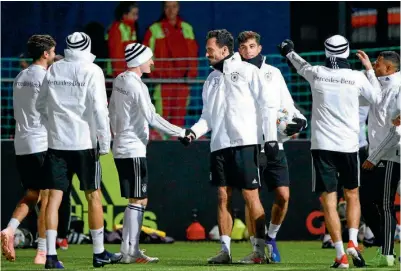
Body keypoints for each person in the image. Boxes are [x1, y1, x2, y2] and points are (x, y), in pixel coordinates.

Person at [278, 35, 382, 268]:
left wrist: (288, 51)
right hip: (349, 146)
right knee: (353, 195)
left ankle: (340, 254)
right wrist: (368, 70)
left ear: (326, 53)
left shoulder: (317, 73)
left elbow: (299, 64)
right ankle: (354, 242)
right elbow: (377, 98)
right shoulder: (356, 78)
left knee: (329, 202)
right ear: (347, 52)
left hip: (323, 147)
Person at [180, 29, 279, 264]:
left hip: (245, 143)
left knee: (250, 196)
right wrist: (193, 132)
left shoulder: (247, 71)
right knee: (223, 196)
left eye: (210, 50)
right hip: (219, 145)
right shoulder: (211, 79)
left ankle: (259, 251)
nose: (206, 54)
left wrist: (271, 140)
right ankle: (225, 251)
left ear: (224, 51)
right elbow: (207, 117)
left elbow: (268, 105)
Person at [36, 32, 121, 269]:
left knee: (53, 199)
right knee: (93, 196)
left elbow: (40, 105)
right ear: (88, 47)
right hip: (84, 144)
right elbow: (99, 111)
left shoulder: (53, 69)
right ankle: (98, 253)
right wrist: (105, 143)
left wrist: (53, 127)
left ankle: (50, 256)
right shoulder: (92, 71)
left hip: (57, 144)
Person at [109, 43, 186, 264]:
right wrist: (181, 132)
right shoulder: (136, 85)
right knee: (138, 199)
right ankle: (130, 252)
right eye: (149, 58)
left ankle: (129, 250)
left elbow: (111, 112)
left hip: (122, 146)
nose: (152, 62)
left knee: (137, 199)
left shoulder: (120, 80)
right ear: (138, 61)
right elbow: (152, 117)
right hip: (132, 148)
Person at [236, 31, 307, 264]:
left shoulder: (273, 73)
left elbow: (287, 105)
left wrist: (299, 119)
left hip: (275, 143)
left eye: (252, 46)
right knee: (252, 198)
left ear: (259, 47)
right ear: (239, 51)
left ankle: (271, 238)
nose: (248, 50)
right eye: (244, 47)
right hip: (249, 143)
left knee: (283, 196)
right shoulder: (234, 75)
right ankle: (257, 250)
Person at [1, 35, 56, 265]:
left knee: (32, 194)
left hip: (21, 142)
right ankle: (42, 251)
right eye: (53, 52)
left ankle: (10, 229)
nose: (54, 55)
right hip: (40, 142)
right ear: (45, 54)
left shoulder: (20, 76)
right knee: (45, 197)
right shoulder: (46, 78)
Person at [357, 50, 401, 267]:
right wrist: (367, 69)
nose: (375, 64)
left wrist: (374, 157)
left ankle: (387, 254)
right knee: (365, 201)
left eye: (378, 63)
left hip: (391, 154)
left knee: (385, 204)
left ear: (390, 69)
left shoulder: (397, 88)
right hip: (375, 153)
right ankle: (388, 247)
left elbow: (397, 133)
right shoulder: (381, 84)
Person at [143, 1, 198, 130]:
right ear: (163, 9)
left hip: (183, 83)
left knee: (178, 123)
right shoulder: (154, 29)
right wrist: (155, 76)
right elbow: (146, 56)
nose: (170, 10)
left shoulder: (187, 28)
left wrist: (191, 76)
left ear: (178, 8)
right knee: (161, 122)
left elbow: (193, 54)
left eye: (173, 6)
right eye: (167, 7)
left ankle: (176, 148)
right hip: (163, 83)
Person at [107, 1, 139, 77]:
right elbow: (116, 55)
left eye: (137, 14)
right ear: (125, 15)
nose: (136, 17)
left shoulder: (132, 28)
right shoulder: (117, 28)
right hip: (119, 75)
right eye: (134, 14)